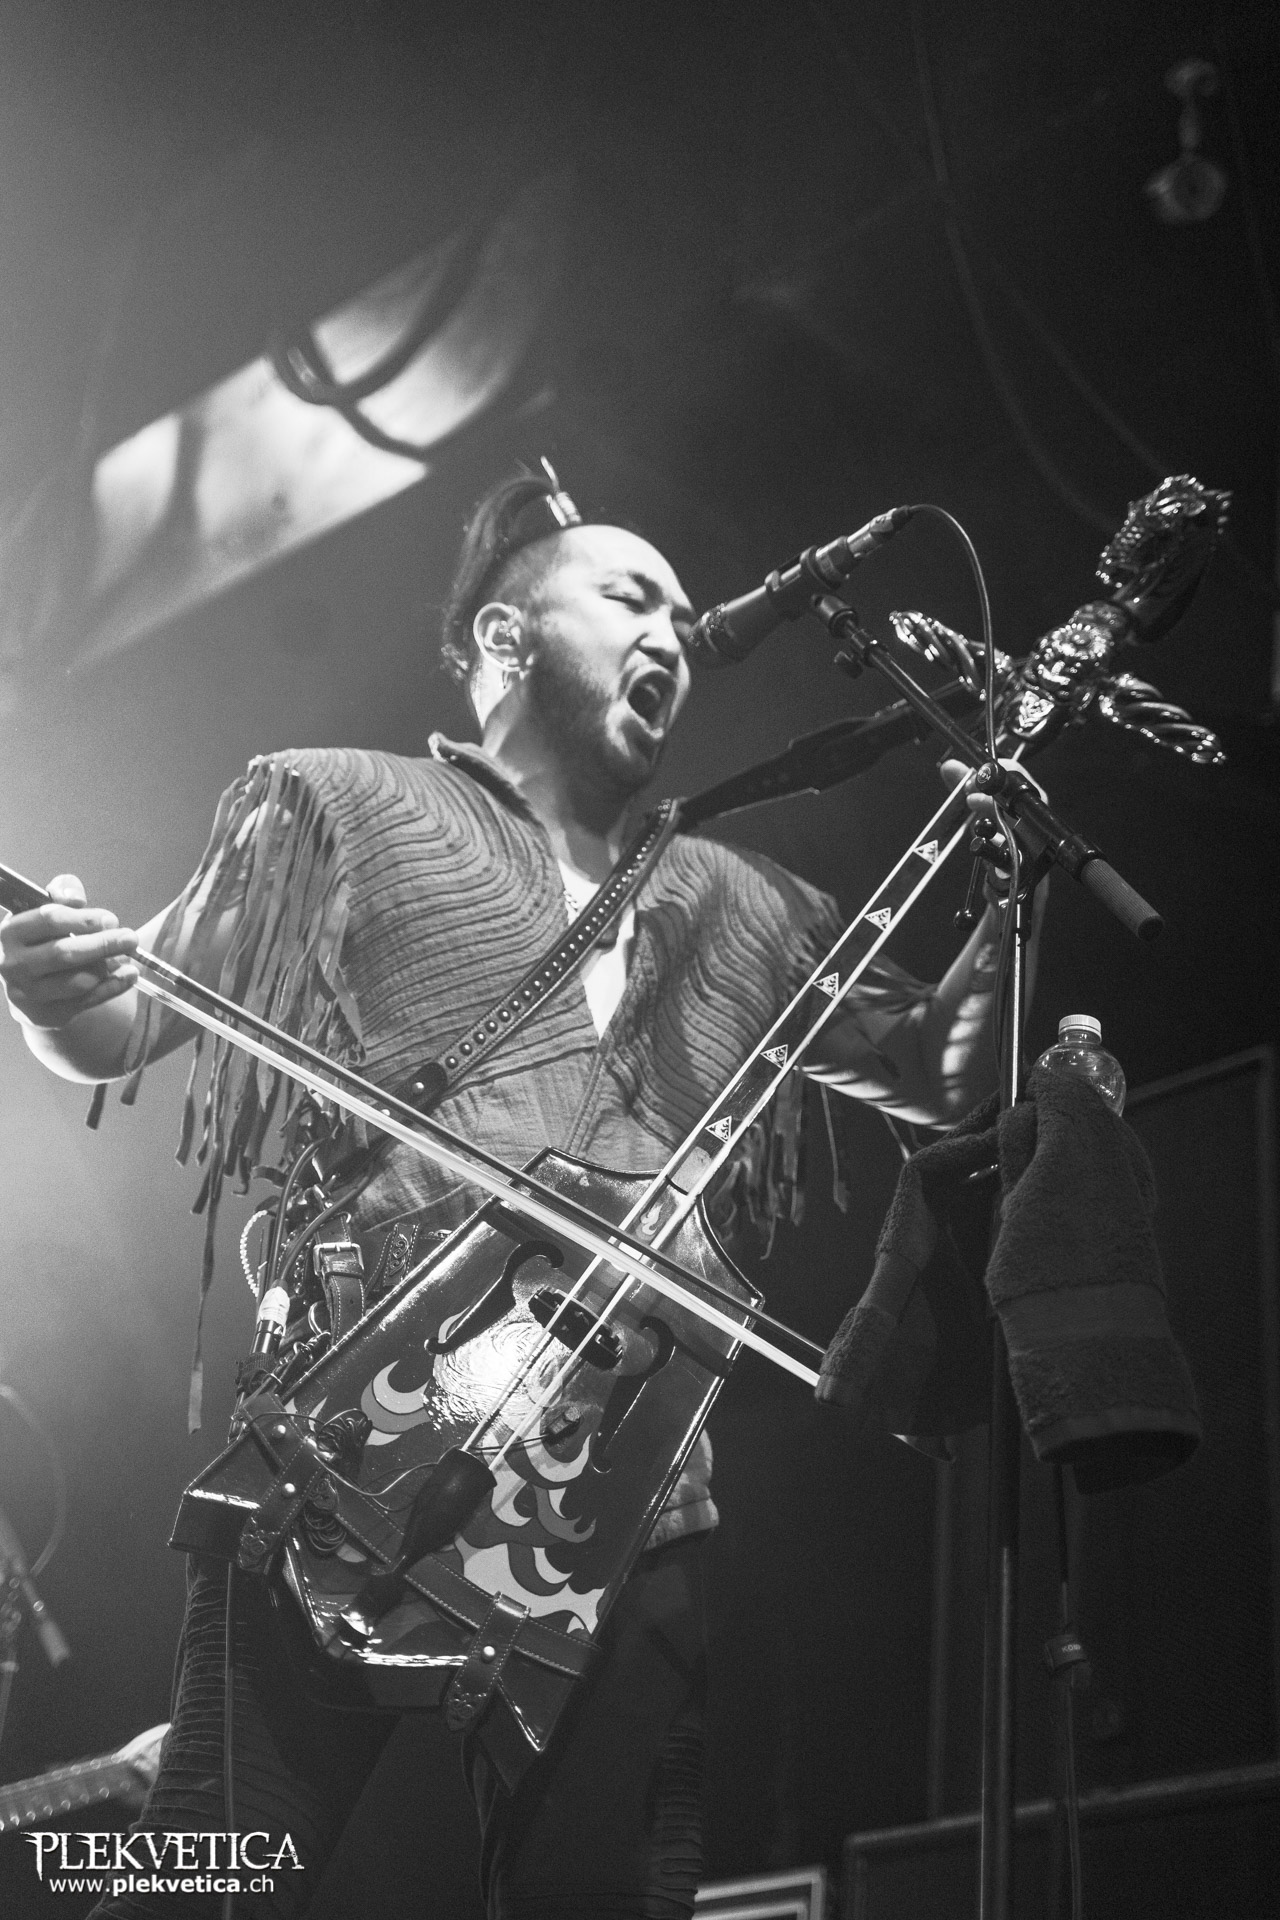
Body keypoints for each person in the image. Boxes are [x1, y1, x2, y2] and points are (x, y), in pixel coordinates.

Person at [1, 468, 1010, 1919]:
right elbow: (120, 1019)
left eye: (682, 609)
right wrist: (48, 987)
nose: (674, 630)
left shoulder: (742, 901)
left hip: (628, 1481)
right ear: (505, 636)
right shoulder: (337, 800)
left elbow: (939, 1076)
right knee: (208, 1868)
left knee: (608, 1896)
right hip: (351, 1440)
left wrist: (1002, 877)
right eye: (631, 594)